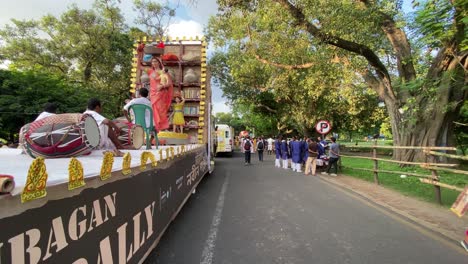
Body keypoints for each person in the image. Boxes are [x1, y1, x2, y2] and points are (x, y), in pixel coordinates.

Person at [147, 57, 173, 131]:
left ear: (159, 62)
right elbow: (139, 66)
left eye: (155, 61)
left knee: (161, 110)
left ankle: (162, 128)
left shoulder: (163, 72)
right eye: (152, 62)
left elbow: (169, 83)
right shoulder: (150, 71)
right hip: (152, 94)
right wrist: (139, 53)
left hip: (161, 93)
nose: (154, 63)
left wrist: (162, 86)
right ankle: (155, 128)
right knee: (154, 111)